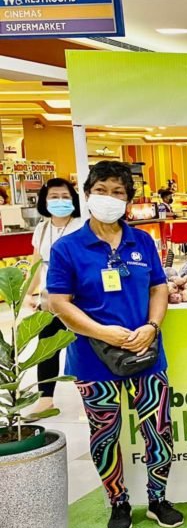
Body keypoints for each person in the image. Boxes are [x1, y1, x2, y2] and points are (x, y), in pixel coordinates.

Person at [47, 161, 182, 528]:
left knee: (158, 429)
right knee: (105, 434)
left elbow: (159, 287)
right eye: (102, 190)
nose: (109, 198)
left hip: (146, 353)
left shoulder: (142, 242)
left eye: (118, 192)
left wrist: (152, 326)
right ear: (88, 194)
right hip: (94, 358)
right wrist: (105, 333)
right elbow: (60, 302)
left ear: (128, 200)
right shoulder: (68, 248)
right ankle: (118, 501)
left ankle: (158, 498)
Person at [25, 178, 85, 417]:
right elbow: (36, 263)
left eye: (65, 196)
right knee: (47, 345)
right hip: (51, 298)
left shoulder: (82, 224)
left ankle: (92, 395)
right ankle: (46, 397)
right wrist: (29, 292)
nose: (59, 201)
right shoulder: (42, 228)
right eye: (54, 197)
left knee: (84, 345)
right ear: (44, 201)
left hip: (81, 296)